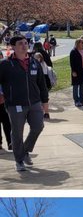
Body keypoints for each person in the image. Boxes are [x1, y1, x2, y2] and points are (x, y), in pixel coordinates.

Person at [0, 35, 49, 173]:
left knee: (38, 126)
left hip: (34, 103)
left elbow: (42, 84)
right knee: (17, 133)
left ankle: (25, 151)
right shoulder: (5, 64)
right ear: (13, 47)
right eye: (20, 43)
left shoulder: (34, 63)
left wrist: (45, 103)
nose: (24, 45)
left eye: (26, 43)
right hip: (15, 104)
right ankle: (19, 160)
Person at [69, 38, 83, 108]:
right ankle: (76, 101)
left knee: (82, 86)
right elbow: (72, 63)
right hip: (77, 71)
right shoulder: (73, 51)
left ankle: (81, 100)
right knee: (76, 86)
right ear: (78, 43)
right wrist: (73, 71)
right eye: (82, 43)